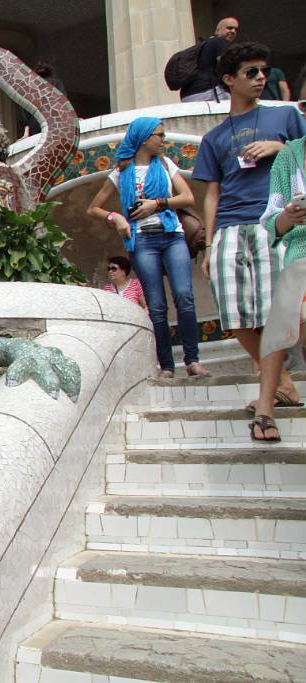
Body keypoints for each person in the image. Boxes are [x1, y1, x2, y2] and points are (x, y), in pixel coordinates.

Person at [193, 42, 306, 396]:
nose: (260, 79)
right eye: (251, 73)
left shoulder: (284, 117)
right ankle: (282, 383)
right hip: (228, 226)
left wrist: (280, 147)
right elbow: (211, 192)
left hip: (274, 221)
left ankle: (273, 388)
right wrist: (209, 244)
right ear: (229, 79)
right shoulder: (213, 138)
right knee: (232, 314)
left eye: (263, 72)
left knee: (278, 311)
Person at [89, 116, 209, 379]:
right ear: (144, 138)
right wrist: (116, 217)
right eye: (159, 135)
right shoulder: (121, 173)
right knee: (155, 305)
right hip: (142, 239)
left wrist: (158, 204)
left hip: (171, 234)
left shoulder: (166, 164)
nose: (163, 140)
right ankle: (166, 365)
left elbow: (187, 196)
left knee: (184, 296)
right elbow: (94, 208)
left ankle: (193, 360)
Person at [254, 135, 306, 440]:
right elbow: (271, 220)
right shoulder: (289, 156)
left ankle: (264, 409)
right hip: (300, 250)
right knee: (287, 310)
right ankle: (264, 410)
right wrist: (287, 216)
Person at [180, 17, 239, 103]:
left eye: (235, 29)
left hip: (189, 95)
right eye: (229, 28)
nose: (233, 31)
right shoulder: (219, 41)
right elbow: (227, 67)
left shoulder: (205, 44)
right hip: (207, 91)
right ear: (218, 30)